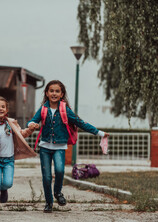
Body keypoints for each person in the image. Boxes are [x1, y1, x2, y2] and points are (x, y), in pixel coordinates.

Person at [27, 80, 109, 213]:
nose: (54, 93)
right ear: (47, 93)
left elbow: (81, 123)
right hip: (44, 148)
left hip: (60, 146)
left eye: (57, 91)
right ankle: (48, 202)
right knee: (46, 177)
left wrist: (100, 133)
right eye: (51, 91)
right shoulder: (43, 109)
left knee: (60, 171)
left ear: (62, 94)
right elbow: (32, 121)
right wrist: (31, 124)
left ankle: (58, 193)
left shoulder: (65, 109)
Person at [0, 96, 37, 215]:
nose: (0, 109)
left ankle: (4, 189)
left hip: (9, 159)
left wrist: (30, 130)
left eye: (3, 106)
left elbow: (22, 134)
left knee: (8, 183)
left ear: (7, 109)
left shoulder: (12, 123)